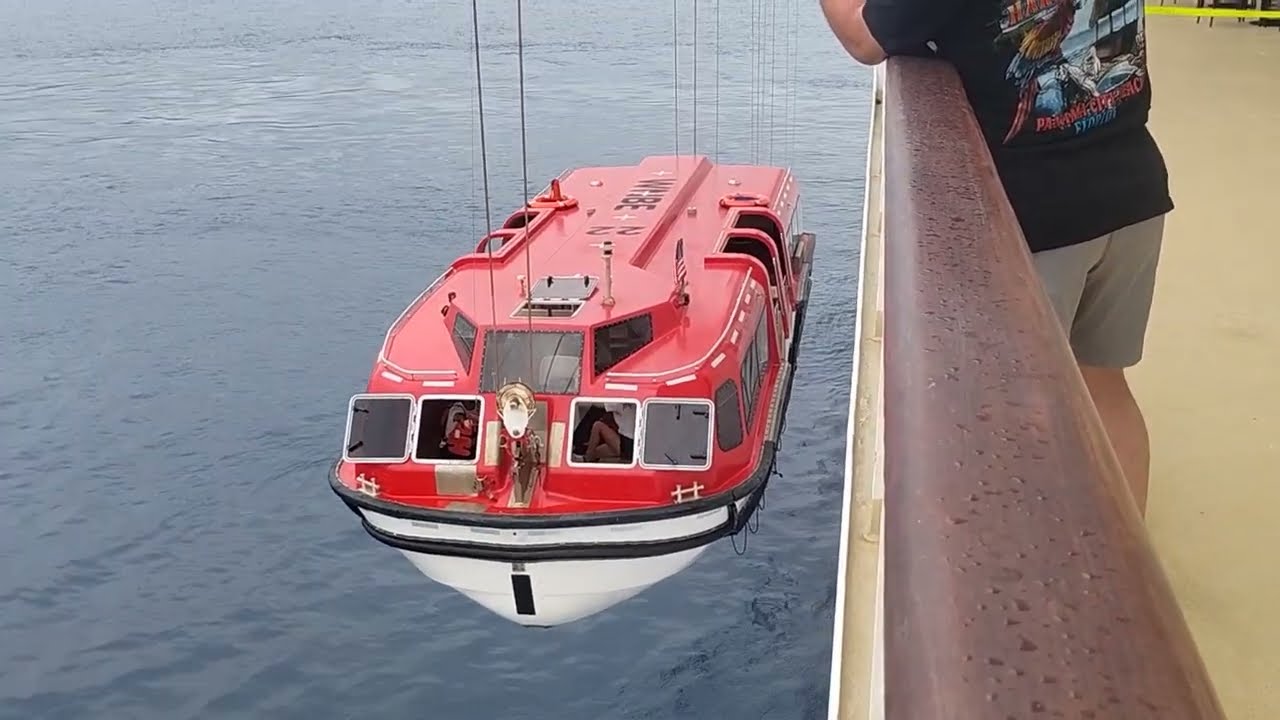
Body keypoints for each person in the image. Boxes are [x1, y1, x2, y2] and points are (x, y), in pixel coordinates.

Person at [820, 0, 1172, 515]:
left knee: (1016, 415)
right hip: (1134, 189)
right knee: (1103, 385)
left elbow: (862, 37)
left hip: (1036, 223)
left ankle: (1040, 577)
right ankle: (1130, 574)